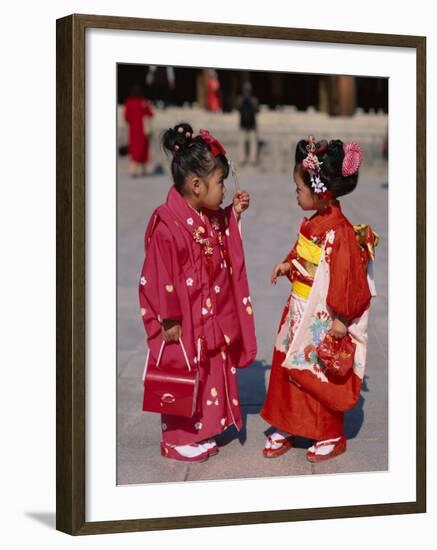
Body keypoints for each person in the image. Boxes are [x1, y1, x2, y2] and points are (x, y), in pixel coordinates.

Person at [139, 122, 257, 462]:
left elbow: (219, 239)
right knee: (183, 368)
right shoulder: (168, 224)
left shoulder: (203, 214)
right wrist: (170, 318)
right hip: (181, 316)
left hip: (205, 312)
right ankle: (176, 439)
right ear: (195, 185)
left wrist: (232, 215)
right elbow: (160, 276)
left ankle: (199, 429)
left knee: (206, 368)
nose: (222, 189)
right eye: (220, 183)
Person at [260, 136, 378, 462]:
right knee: (288, 367)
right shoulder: (314, 224)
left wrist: (342, 318)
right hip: (298, 308)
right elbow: (302, 253)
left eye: (299, 189)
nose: (296, 194)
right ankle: (286, 423)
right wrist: (288, 264)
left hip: (322, 314)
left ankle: (328, 432)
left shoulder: (339, 231)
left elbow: (348, 278)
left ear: (319, 191)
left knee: (317, 373)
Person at [123, 84, 154, 177]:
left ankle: (133, 170)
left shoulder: (128, 102)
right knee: (144, 149)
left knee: (134, 149)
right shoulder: (144, 102)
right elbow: (150, 114)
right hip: (143, 130)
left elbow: (126, 117)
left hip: (133, 130)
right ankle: (144, 170)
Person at [236, 82, 259, 166]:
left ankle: (249, 159)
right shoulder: (253, 99)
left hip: (248, 124)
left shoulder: (240, 99)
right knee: (249, 142)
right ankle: (247, 159)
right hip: (247, 124)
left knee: (247, 142)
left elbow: (237, 108)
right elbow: (257, 110)